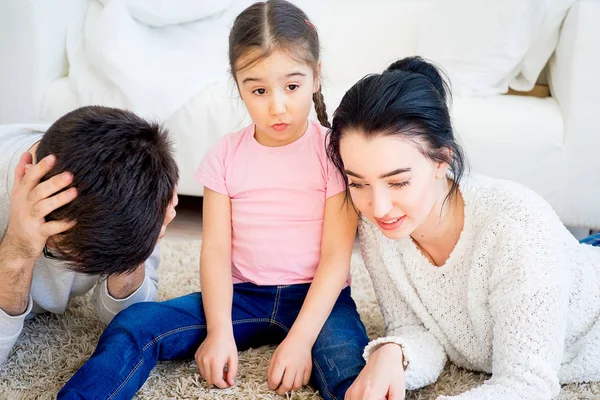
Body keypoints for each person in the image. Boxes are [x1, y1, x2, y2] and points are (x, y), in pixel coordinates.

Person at [58, 1, 368, 399]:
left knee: (350, 371)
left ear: (316, 77)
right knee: (136, 324)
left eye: (292, 86)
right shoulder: (225, 155)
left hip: (321, 301)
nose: (277, 106)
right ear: (237, 85)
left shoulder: (335, 153)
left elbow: (336, 258)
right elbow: (217, 251)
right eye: (258, 89)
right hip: (243, 296)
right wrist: (219, 332)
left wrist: (301, 341)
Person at [324, 56, 600, 400]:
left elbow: (529, 385)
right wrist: (393, 353)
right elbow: (416, 328)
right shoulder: (378, 224)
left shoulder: (516, 226)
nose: (377, 207)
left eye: (397, 183)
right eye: (358, 183)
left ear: (442, 160)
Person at [0, 105, 179, 368]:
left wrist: (135, 253)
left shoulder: (132, 188)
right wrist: (17, 251)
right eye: (57, 250)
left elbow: (126, 318)